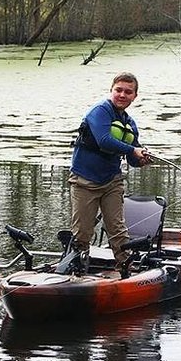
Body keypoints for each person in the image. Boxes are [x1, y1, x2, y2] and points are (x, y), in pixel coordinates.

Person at [69, 72, 151, 273]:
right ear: (111, 91)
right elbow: (104, 140)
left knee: (117, 229)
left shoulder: (130, 123)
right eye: (119, 90)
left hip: (112, 182)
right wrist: (132, 149)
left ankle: (125, 268)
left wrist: (141, 159)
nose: (122, 95)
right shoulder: (99, 111)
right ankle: (77, 270)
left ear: (135, 96)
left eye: (128, 92)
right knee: (82, 232)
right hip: (84, 181)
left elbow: (132, 159)